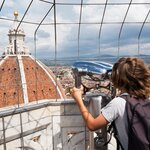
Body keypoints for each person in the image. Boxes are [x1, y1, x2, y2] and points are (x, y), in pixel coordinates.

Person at [71, 57, 150, 150]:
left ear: (118, 79)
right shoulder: (147, 100)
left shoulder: (118, 103)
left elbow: (92, 125)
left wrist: (79, 99)